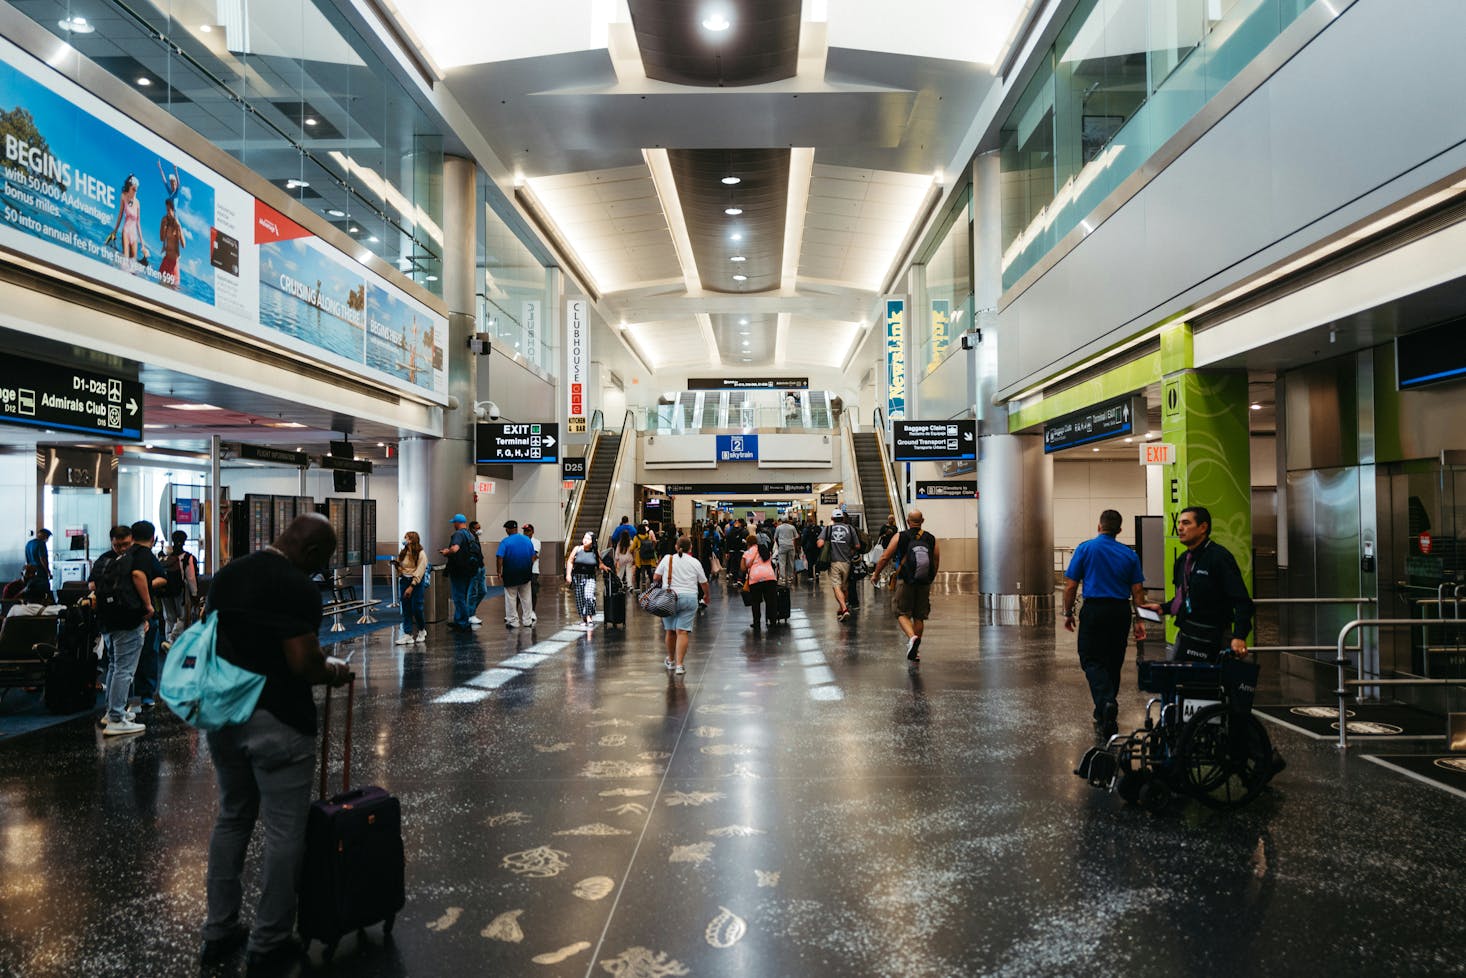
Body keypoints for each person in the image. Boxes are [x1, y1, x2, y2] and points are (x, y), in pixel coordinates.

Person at [199, 513, 352, 973]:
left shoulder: (227, 575)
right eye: (321, 559)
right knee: (286, 832)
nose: (319, 568)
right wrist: (335, 672)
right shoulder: (296, 587)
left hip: (224, 714)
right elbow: (303, 662)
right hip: (277, 720)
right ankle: (269, 940)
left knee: (232, 819)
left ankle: (219, 929)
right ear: (309, 552)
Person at [1061, 510, 1148, 738]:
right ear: (1119, 530)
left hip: (1094, 611)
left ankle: (1107, 702)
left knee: (1090, 658)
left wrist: (1067, 612)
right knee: (1113, 660)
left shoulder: (1085, 548)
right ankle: (1104, 711)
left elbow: (1070, 586)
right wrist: (1140, 620)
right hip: (1120, 612)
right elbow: (1138, 591)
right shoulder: (1129, 555)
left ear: (1099, 526)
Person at [1144, 505, 1254, 664]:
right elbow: (1184, 596)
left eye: (1186, 523)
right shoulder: (1183, 560)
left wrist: (1239, 636)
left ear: (1203, 527)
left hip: (1215, 637)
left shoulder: (1219, 557)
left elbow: (1242, 602)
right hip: (1187, 635)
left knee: (1209, 686)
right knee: (1178, 684)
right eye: (1179, 523)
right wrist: (1163, 608)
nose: (1180, 528)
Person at [87, 525, 150, 736]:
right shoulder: (134, 558)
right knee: (124, 669)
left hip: (107, 620)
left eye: (124, 544)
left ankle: (111, 712)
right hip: (128, 620)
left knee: (114, 666)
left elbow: (92, 587)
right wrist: (147, 607)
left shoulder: (103, 561)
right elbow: (139, 577)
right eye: (118, 544)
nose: (122, 548)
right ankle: (116, 717)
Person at [873, 510, 941, 663]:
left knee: (901, 612)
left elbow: (885, 557)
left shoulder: (900, 536)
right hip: (924, 581)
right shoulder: (931, 538)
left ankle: (912, 638)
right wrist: (930, 578)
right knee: (919, 616)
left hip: (905, 580)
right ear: (922, 520)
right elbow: (936, 560)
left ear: (908, 521)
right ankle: (915, 651)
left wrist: (876, 573)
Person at [127, 521, 169, 710]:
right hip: (145, 612)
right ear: (153, 538)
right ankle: (146, 695)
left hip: (123, 613)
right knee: (148, 653)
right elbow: (159, 578)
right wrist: (145, 589)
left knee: (121, 660)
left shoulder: (123, 555)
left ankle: (123, 699)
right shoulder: (147, 557)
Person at [653, 535, 709, 676]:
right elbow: (704, 582)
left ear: (676, 547)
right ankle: (679, 665)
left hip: (669, 597)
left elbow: (655, 577)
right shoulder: (695, 562)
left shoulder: (667, 559)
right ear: (691, 548)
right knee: (682, 631)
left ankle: (671, 661)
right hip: (689, 598)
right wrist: (706, 595)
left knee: (670, 631)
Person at [438, 514, 480, 631]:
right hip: (469, 570)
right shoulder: (470, 534)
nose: (453, 525)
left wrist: (447, 552)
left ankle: (463, 623)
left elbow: (455, 548)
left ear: (457, 523)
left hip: (458, 570)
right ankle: (458, 620)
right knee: (462, 596)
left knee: (458, 597)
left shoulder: (458, 534)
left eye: (454, 523)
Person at [818, 511, 858, 621]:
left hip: (834, 562)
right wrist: (850, 552)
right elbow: (857, 545)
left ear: (832, 518)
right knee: (844, 588)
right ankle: (841, 609)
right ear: (843, 518)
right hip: (847, 562)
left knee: (836, 587)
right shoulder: (850, 529)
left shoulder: (828, 529)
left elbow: (820, 544)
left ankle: (844, 609)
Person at [161, 530, 200, 643]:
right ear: (184, 541)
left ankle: (168, 640)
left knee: (169, 617)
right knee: (183, 616)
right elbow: (191, 578)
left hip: (166, 590)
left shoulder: (166, 557)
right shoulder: (187, 557)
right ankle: (175, 639)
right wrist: (194, 594)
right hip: (181, 591)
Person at [496, 520, 536, 629]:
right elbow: (533, 556)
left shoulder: (505, 542)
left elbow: (500, 557)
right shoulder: (527, 540)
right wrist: (529, 566)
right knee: (526, 598)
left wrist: (499, 571)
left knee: (511, 597)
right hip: (525, 573)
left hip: (510, 573)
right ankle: (527, 621)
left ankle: (513, 621)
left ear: (508, 530)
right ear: (517, 528)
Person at [566, 531, 609, 631]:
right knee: (580, 598)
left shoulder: (595, 551)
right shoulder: (577, 549)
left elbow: (599, 563)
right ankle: (584, 618)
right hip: (578, 577)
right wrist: (568, 575)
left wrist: (605, 567)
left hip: (590, 577)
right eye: (584, 538)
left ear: (592, 541)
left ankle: (589, 617)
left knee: (588, 596)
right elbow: (570, 561)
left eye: (588, 539)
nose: (585, 540)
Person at [392, 531, 428, 645]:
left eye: (406, 538)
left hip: (415, 582)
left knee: (417, 608)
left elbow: (420, 570)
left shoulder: (421, 554)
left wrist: (412, 585)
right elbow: (402, 566)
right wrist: (397, 567)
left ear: (412, 540)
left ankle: (422, 630)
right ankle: (407, 634)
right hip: (404, 580)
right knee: (406, 608)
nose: (404, 540)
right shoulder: (403, 552)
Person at [741, 532, 778, 633]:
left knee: (755, 602)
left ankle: (756, 623)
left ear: (748, 544)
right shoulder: (764, 549)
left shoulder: (747, 553)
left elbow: (743, 568)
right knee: (771, 601)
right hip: (769, 576)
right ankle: (773, 621)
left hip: (755, 578)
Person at [466, 520, 489, 626]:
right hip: (474, 568)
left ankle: (470, 611)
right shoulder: (469, 539)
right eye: (477, 528)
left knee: (483, 591)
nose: (480, 530)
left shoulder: (476, 538)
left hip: (481, 566)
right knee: (473, 592)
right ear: (472, 529)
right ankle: (470, 614)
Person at [24, 528, 51, 598]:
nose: (47, 539)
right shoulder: (41, 544)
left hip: (31, 572)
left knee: (33, 591)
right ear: (44, 535)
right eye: (47, 537)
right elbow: (42, 559)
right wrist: (48, 571)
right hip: (40, 572)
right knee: (45, 591)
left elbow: (27, 559)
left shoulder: (29, 543)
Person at [522, 523, 543, 616]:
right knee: (520, 592)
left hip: (533, 571)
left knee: (532, 592)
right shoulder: (521, 542)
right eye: (525, 531)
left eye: (528, 531)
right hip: (521, 570)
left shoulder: (536, 542)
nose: (526, 533)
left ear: (532, 532)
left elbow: (533, 556)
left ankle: (532, 611)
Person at [773, 515, 799, 586]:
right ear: (787, 520)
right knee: (791, 562)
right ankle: (790, 577)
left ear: (781, 521)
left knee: (782, 562)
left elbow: (775, 537)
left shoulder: (778, 527)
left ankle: (783, 578)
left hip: (782, 546)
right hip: (791, 546)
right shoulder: (792, 527)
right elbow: (797, 536)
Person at [634, 522, 658, 588]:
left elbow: (632, 547)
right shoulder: (648, 536)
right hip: (647, 555)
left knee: (638, 571)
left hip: (639, 557)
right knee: (649, 570)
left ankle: (638, 586)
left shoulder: (636, 537)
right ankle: (652, 583)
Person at [801, 518, 822, 586]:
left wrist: (802, 546)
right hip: (817, 547)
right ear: (813, 522)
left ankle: (810, 576)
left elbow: (803, 540)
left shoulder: (806, 529)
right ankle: (817, 573)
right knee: (817, 561)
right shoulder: (818, 528)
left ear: (807, 522)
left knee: (810, 562)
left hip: (809, 548)